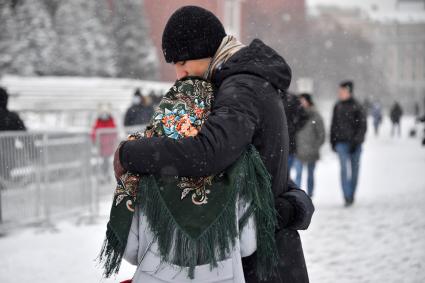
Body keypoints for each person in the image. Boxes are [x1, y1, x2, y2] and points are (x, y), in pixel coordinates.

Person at [113, 6, 314, 283]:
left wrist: (131, 152)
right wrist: (294, 205)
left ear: (203, 51)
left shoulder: (240, 88)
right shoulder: (247, 81)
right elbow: (263, 162)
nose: (180, 74)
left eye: (182, 64)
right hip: (269, 251)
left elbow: (208, 153)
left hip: (263, 260)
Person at [330, 81, 367, 207]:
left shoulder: (357, 106)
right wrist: (332, 142)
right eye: (339, 91)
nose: (339, 93)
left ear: (348, 91)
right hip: (341, 143)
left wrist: (356, 142)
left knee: (355, 171)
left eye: (342, 91)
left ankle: (351, 194)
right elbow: (333, 125)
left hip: (355, 144)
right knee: (344, 170)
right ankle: (346, 196)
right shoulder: (337, 106)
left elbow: (362, 126)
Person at [293, 93, 325, 198]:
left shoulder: (316, 115)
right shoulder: (295, 114)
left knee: (310, 175)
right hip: (298, 151)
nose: (301, 103)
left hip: (311, 151)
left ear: (309, 101)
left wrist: (315, 146)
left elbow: (321, 134)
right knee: (298, 174)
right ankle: (298, 195)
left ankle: (310, 195)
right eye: (300, 101)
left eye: (303, 100)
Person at [0, 87, 26, 182]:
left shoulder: (12, 117)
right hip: (8, 160)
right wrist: (35, 156)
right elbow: (26, 138)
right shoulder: (13, 117)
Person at [91, 104, 117, 182]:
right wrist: (94, 142)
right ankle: (101, 176)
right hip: (100, 146)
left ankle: (107, 175)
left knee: (108, 162)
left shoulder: (111, 120)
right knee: (101, 162)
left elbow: (114, 132)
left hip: (108, 146)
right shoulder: (98, 121)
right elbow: (94, 132)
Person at [284, 92, 308, 172]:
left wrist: (293, 128)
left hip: (289, 142)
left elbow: (303, 116)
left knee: (286, 172)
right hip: (272, 143)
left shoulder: (292, 98)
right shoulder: (268, 94)